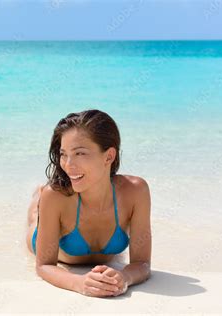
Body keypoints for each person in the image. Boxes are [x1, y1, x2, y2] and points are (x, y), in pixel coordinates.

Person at [26, 109, 151, 298]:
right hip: (51, 219)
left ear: (109, 156)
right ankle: (38, 199)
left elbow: (142, 263)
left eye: (80, 153)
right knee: (37, 213)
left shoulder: (135, 191)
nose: (68, 164)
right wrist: (79, 283)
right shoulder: (55, 197)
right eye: (63, 154)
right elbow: (44, 266)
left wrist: (125, 277)